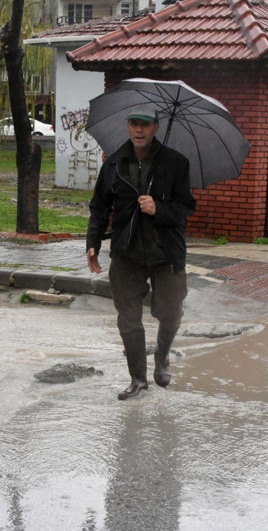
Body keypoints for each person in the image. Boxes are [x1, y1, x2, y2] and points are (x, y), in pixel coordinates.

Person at [86, 104, 196, 400]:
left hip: (166, 253)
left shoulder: (176, 163)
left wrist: (159, 208)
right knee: (128, 317)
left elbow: (186, 207)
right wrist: (92, 243)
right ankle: (138, 378)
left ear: (156, 127)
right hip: (127, 251)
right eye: (134, 123)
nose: (139, 129)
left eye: (145, 124)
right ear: (127, 126)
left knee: (170, 312)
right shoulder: (113, 166)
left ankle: (162, 358)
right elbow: (98, 207)